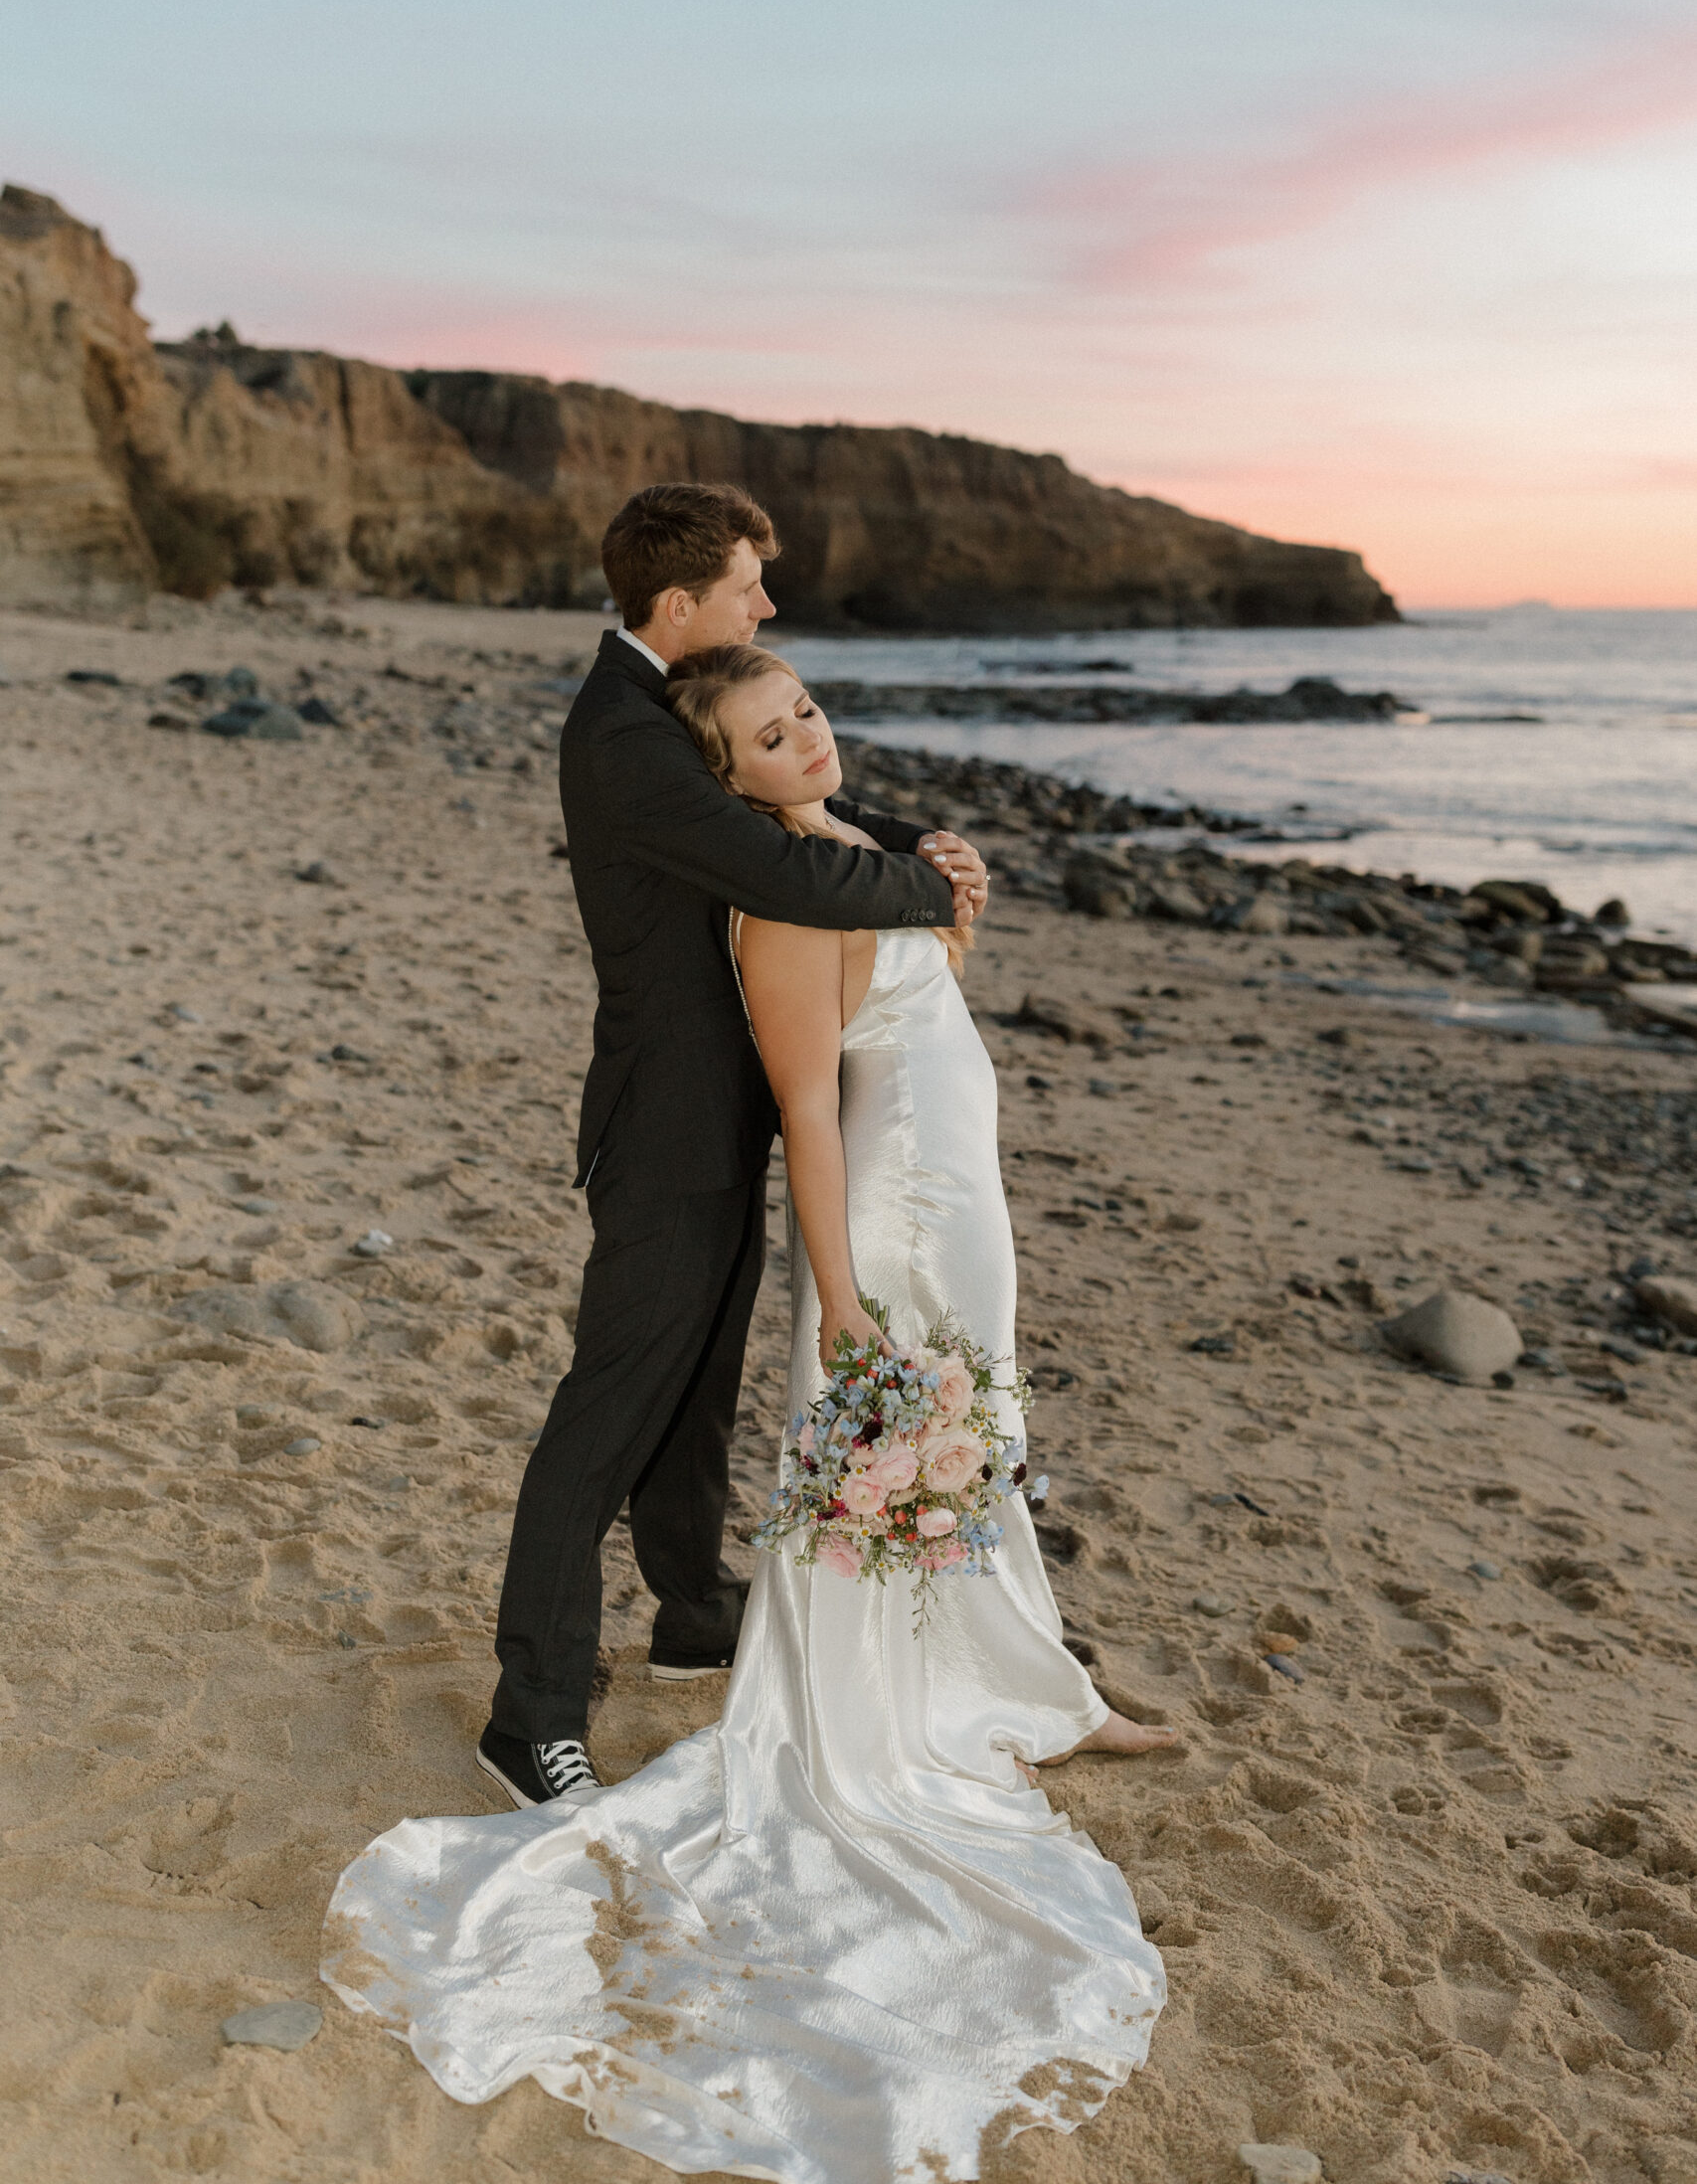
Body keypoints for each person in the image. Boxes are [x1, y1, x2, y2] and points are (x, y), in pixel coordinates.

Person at [324, 643, 1174, 2184]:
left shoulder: (848, 857)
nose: (809, 741)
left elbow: (912, 1012)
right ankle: (894, 1708)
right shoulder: (780, 898)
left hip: (960, 1192)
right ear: (727, 777)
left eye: (811, 713)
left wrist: (953, 901)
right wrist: (839, 1293)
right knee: (895, 1456)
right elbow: (812, 1103)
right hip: (900, 1214)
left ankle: (1014, 1678)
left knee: (969, 1453)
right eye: (773, 737)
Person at [475, 482, 988, 1809]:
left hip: (723, 1118)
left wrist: (905, 841)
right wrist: (929, 888)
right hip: (665, 1134)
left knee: (698, 1389)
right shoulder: (622, 734)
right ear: (682, 600)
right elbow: (780, 878)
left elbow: (788, 826)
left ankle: (695, 1608)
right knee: (607, 1414)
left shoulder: (664, 711)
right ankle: (529, 1711)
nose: (766, 606)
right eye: (750, 585)